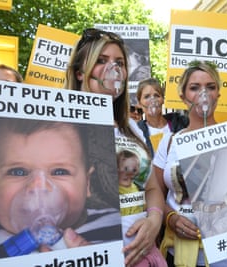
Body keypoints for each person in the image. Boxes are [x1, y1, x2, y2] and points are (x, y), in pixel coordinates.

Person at [64, 28, 166, 267]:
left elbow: (151, 188)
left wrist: (154, 220)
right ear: (80, 72)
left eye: (119, 62)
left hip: (142, 254)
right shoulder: (61, 128)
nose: (113, 68)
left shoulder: (130, 127)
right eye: (101, 61)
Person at [0, 117, 122, 263]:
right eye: (18, 171)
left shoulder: (117, 227)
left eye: (59, 171)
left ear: (86, 183)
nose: (39, 187)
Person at [152, 60, 221, 267]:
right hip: (178, 254)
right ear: (182, 96)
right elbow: (155, 192)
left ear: (218, 94)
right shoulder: (169, 142)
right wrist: (170, 217)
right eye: (194, 88)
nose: (203, 94)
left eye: (211, 87)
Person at [136, 78, 189, 157]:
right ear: (139, 103)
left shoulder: (181, 122)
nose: (152, 100)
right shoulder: (135, 131)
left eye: (156, 95)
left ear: (163, 99)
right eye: (147, 97)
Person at [117, 149, 142, 215]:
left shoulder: (135, 187)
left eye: (134, 170)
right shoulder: (114, 189)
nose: (129, 173)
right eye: (126, 168)